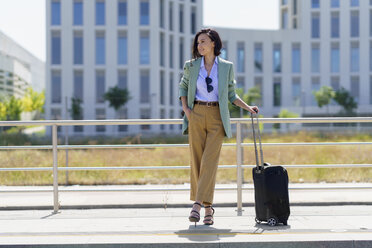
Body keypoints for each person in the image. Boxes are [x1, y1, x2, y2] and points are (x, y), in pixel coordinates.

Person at [179, 28, 259, 226]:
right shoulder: (191, 65)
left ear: (213, 43)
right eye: (198, 43)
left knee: (209, 162)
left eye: (203, 41)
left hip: (217, 117)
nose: (200, 46)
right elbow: (183, 86)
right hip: (196, 114)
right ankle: (208, 210)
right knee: (197, 162)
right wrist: (187, 110)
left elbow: (232, 94)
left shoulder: (226, 67)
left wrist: (248, 107)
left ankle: (197, 204)